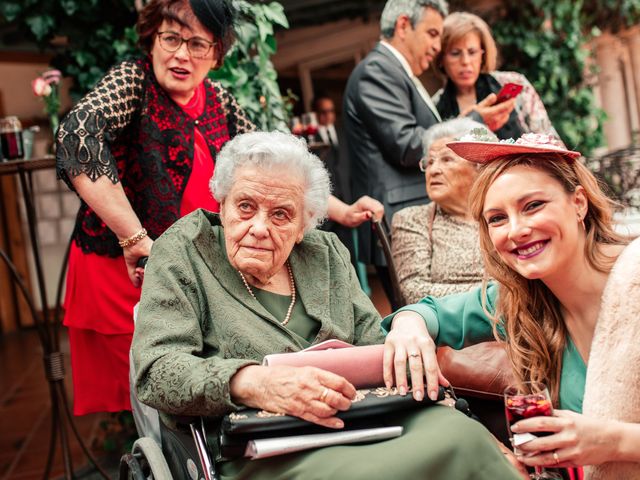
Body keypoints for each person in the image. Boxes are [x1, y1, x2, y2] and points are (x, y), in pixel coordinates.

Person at [132, 131, 522, 480]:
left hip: (362, 418)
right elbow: (156, 369)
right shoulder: (183, 251)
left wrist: (420, 367)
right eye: (245, 206)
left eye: (281, 214)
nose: (259, 227)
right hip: (265, 443)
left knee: (464, 437)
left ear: (304, 225)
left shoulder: (325, 253)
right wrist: (253, 383)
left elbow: (371, 338)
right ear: (222, 204)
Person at [56, 0, 380, 416]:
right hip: (124, 265)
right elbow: (77, 140)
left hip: (194, 263)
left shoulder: (218, 99)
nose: (181, 54)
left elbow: (278, 172)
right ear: (152, 40)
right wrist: (133, 236)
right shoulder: (133, 81)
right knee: (142, 395)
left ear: (216, 54)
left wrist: (340, 210)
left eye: (198, 44)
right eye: (171, 38)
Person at [382, 133, 640, 478]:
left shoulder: (634, 279)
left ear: (579, 203)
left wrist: (617, 442)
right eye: (498, 219)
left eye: (533, 206)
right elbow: (427, 312)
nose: (516, 230)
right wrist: (408, 328)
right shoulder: (516, 300)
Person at [343, 0, 515, 308]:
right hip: (399, 214)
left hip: (416, 212)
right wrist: (474, 122)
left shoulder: (395, 71)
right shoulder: (377, 70)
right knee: (416, 315)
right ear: (404, 25)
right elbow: (406, 145)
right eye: (433, 33)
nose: (437, 45)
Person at [392, 118, 495, 303]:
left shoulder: (502, 215)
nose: (433, 170)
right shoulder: (413, 219)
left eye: (447, 159)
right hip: (449, 325)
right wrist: (497, 295)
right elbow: (413, 291)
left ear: (479, 168)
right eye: (429, 162)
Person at [433, 12, 562, 142]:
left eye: (472, 52)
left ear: (482, 55)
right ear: (441, 59)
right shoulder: (435, 105)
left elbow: (548, 139)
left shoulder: (514, 83)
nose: (465, 61)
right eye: (455, 53)